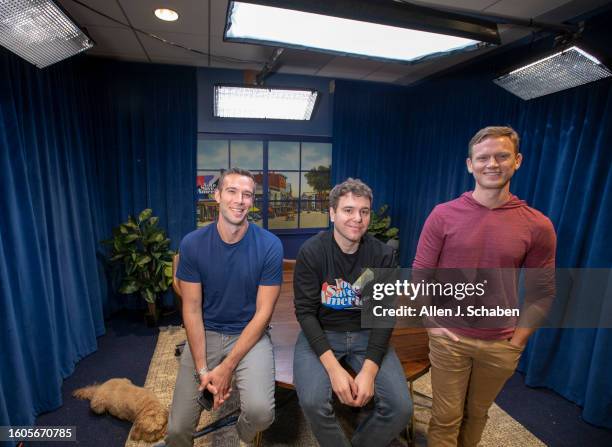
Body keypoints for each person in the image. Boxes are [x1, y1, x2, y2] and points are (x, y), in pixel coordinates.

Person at [413, 126, 556, 446]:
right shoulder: (443, 215)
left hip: (500, 343)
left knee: (477, 415)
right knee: (446, 417)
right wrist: (432, 323)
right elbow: (421, 273)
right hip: (448, 338)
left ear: (517, 161)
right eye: (483, 158)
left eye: (502, 156)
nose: (492, 164)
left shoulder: (537, 225)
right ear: (469, 164)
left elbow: (543, 292)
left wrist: (517, 340)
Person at [165, 168, 283, 446]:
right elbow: (191, 310)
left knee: (261, 413)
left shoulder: (270, 246)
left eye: (247, 195)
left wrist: (227, 367)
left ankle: (237, 435)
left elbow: (263, 313)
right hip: (207, 332)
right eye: (231, 191)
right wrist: (205, 370)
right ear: (217, 195)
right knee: (177, 430)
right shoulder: (192, 244)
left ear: (252, 201)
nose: (239, 200)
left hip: (250, 336)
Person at [293, 178, 412, 447]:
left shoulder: (383, 256)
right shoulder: (311, 252)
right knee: (312, 401)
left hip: (367, 333)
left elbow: (384, 315)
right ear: (332, 213)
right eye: (348, 210)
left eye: (364, 211)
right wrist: (334, 369)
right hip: (323, 332)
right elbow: (306, 313)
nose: (357, 218)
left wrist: (369, 371)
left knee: (401, 408)